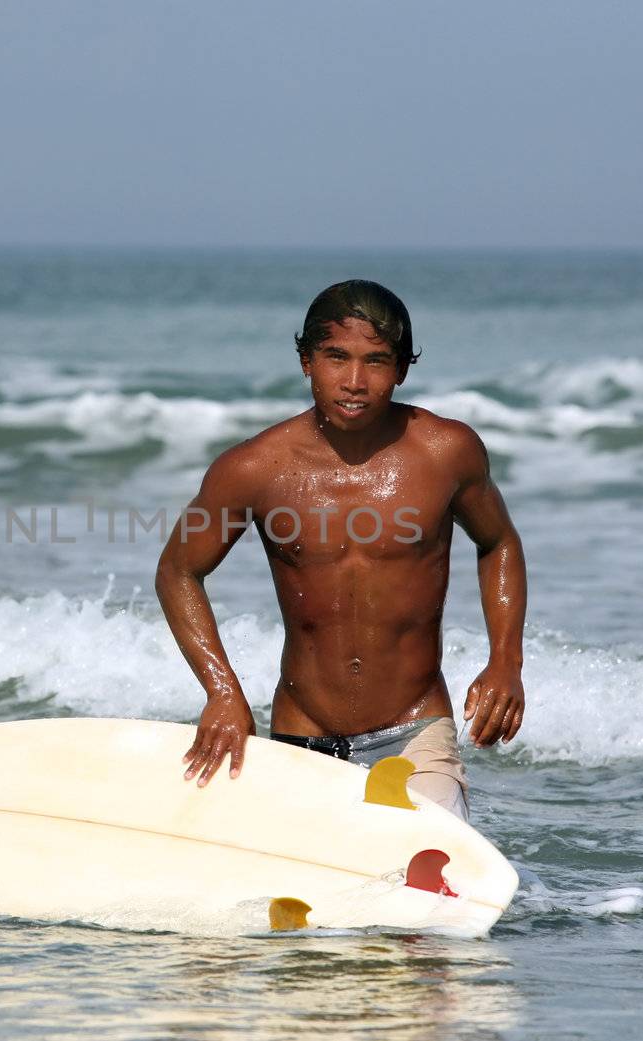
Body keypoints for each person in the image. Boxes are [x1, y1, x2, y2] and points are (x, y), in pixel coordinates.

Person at [154, 280, 527, 819]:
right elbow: (178, 572)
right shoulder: (254, 469)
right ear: (306, 360)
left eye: (376, 361)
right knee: (291, 897)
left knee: (428, 880)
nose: (354, 382)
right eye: (336, 357)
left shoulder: (447, 452)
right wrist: (221, 691)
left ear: (401, 369)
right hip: (300, 739)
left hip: (415, 731)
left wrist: (505, 662)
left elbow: (498, 542)